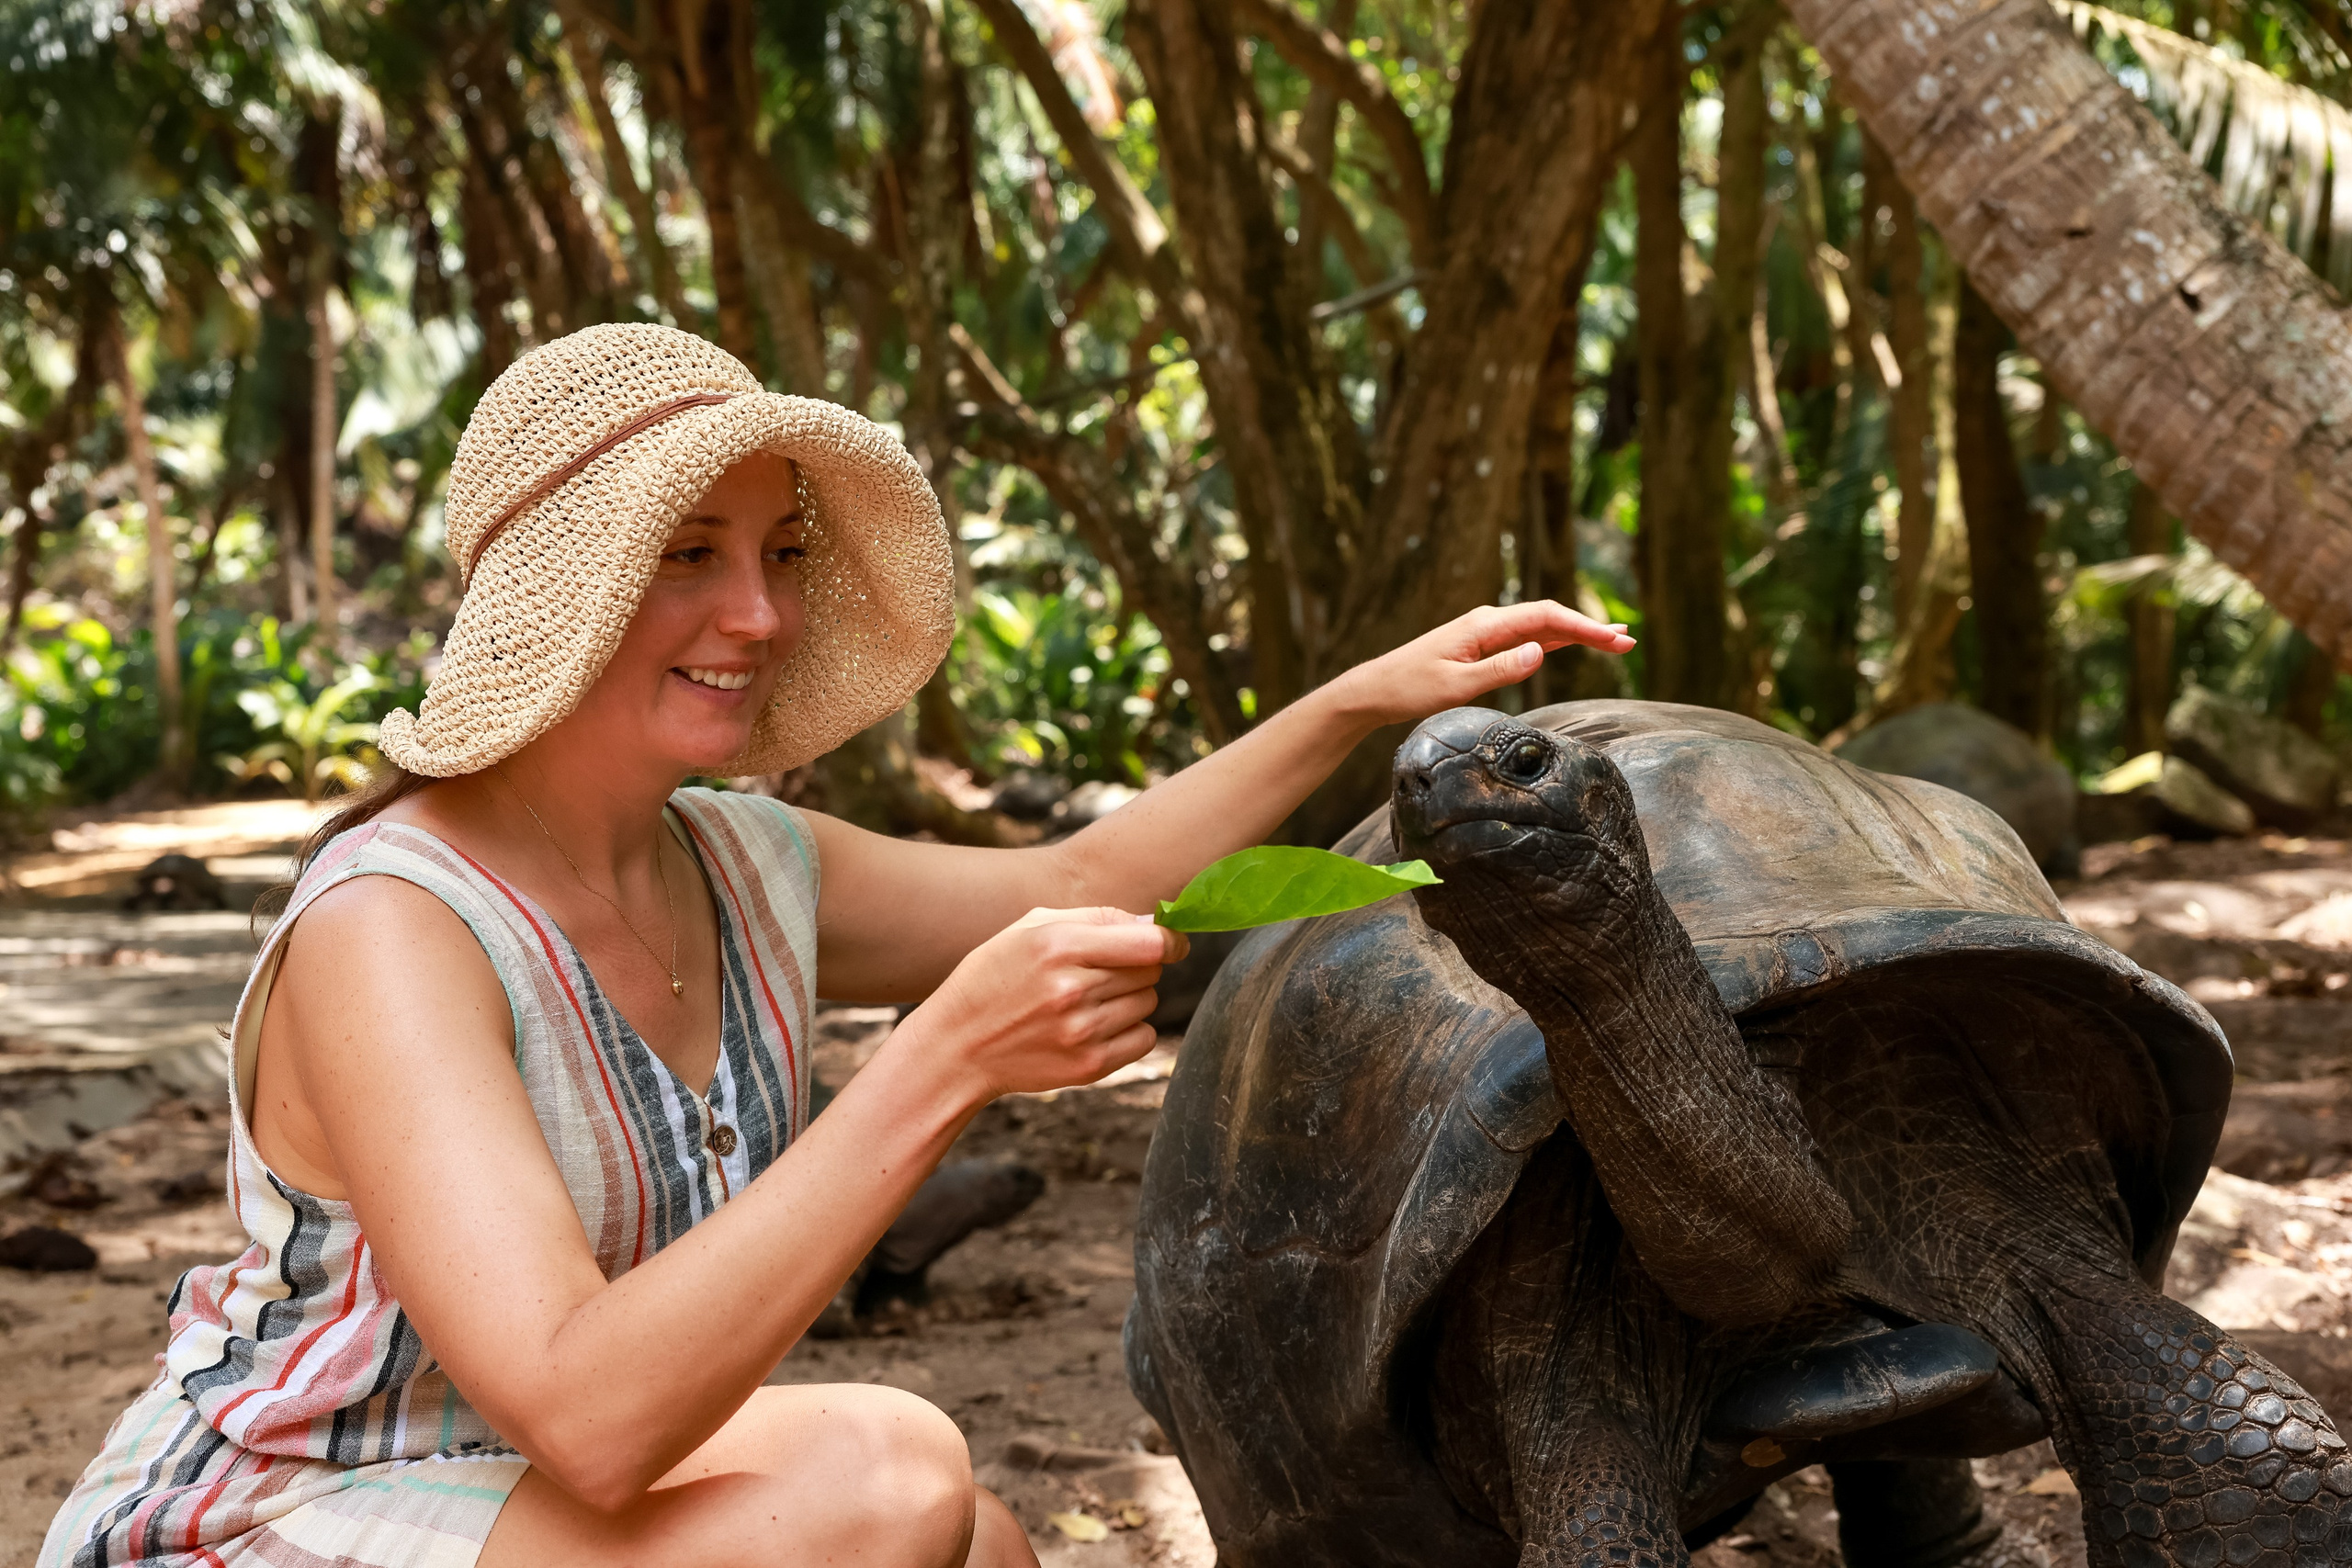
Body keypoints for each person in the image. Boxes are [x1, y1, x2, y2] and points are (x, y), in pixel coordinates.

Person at [40, 323, 1633, 1568]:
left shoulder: (742, 860)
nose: (759, 615)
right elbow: (589, 1417)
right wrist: (943, 1062)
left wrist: (1359, 701)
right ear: (559, 592)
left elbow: (1078, 875)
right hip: (271, 1518)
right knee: (883, 1479)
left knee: (981, 1545)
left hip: (505, 1496)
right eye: (690, 553)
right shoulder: (394, 927)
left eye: (781, 553)